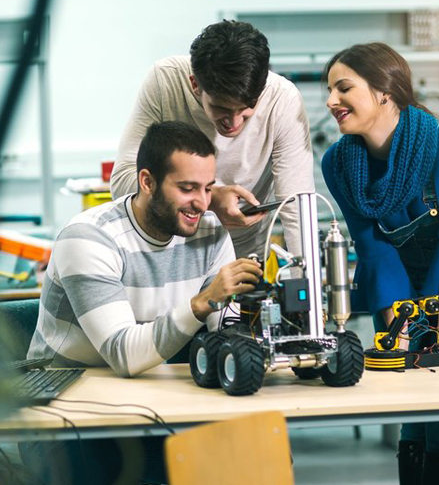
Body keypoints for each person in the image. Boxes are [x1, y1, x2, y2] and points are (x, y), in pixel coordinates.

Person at [21, 120, 263, 485]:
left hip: (155, 399)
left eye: (208, 188)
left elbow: (226, 333)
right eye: (187, 188)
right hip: (65, 415)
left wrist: (255, 322)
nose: (202, 203)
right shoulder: (89, 238)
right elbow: (124, 354)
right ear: (147, 182)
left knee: (252, 460)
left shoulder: (210, 232)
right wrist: (202, 303)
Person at [321, 42, 439, 485]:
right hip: (402, 294)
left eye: (343, 88)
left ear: (385, 90)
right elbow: (376, 252)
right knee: (413, 417)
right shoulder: (339, 163)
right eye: (329, 90)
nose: (330, 101)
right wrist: (396, 339)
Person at [111, 20, 314, 260]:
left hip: (242, 255)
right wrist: (210, 198)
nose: (234, 122)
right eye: (221, 108)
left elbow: (297, 208)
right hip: (164, 254)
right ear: (195, 85)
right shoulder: (165, 81)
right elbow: (122, 182)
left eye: (247, 108)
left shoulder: (282, 99)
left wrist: (307, 274)